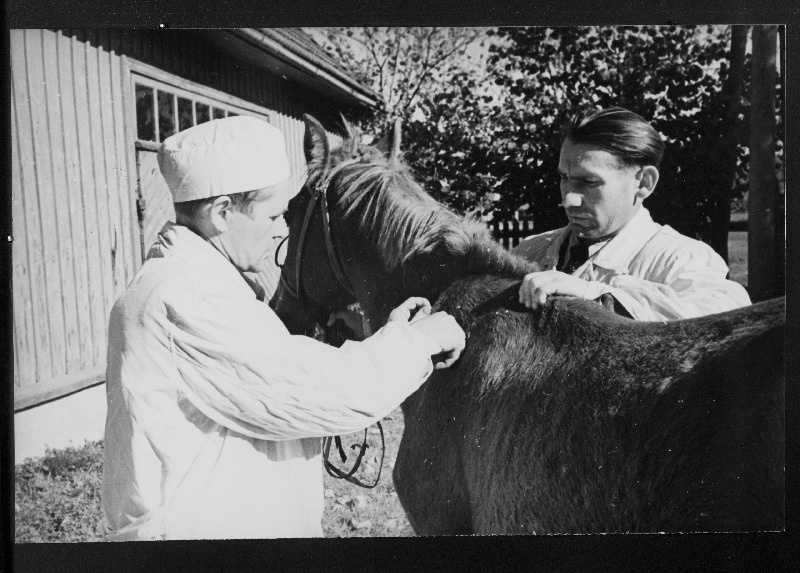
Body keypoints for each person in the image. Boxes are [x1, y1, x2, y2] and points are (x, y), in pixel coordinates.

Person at [101, 116, 466, 540]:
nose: (282, 230)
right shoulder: (184, 296)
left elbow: (277, 367)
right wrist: (420, 340)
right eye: (274, 215)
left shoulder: (199, 284)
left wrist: (389, 334)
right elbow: (328, 392)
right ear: (222, 213)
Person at [514, 107, 751, 321]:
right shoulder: (529, 252)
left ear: (644, 182)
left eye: (590, 181)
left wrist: (593, 294)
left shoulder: (682, 260)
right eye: (564, 178)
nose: (568, 199)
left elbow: (730, 321)